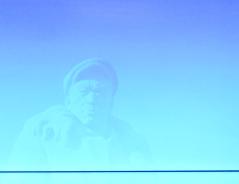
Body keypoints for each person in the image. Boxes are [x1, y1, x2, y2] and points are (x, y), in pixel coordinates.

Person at [11, 58, 150, 168]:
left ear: (111, 102)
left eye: (100, 92)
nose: (92, 100)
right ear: (68, 101)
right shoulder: (42, 132)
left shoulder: (134, 143)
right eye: (84, 92)